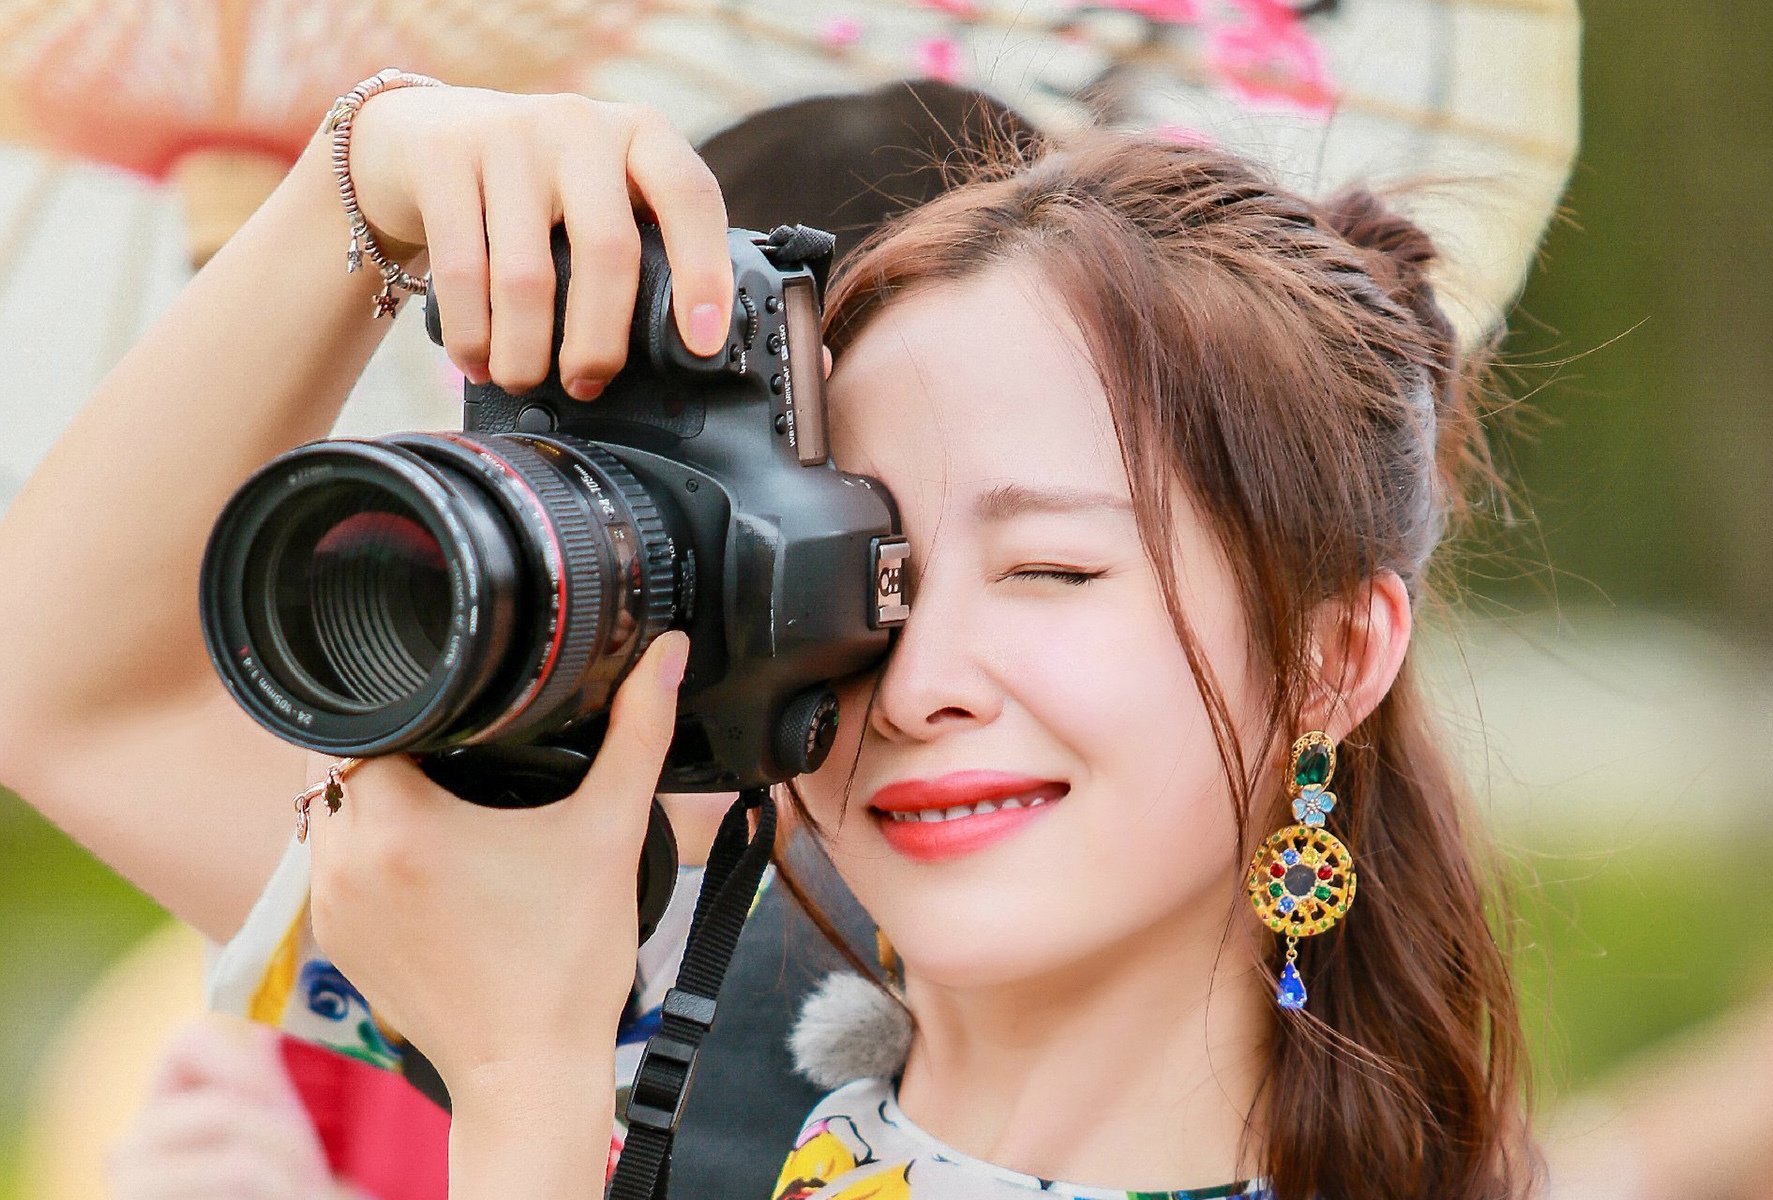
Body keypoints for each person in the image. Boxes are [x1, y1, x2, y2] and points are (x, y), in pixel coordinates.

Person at [0, 74, 1533, 1199]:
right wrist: (368, 174)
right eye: (874, 573)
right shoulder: (699, 1008)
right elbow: (71, 697)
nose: (920, 684)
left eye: (1052, 569)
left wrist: (526, 1100)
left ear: (1335, 656)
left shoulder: (580, 1035)